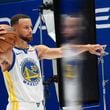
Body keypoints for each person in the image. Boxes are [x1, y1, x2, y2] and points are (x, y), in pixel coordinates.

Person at [0, 14, 105, 110]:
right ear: (14, 30)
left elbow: (62, 51)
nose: (30, 30)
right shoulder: (8, 54)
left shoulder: (36, 51)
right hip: (20, 106)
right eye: (26, 27)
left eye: (31, 27)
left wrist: (87, 47)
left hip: (40, 105)